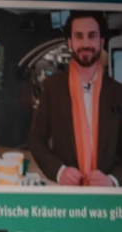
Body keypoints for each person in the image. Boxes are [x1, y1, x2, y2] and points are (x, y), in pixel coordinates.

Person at [29, 10, 122, 187]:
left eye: (92, 36)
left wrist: (112, 180)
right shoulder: (53, 87)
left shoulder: (118, 92)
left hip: (108, 199)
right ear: (70, 42)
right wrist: (59, 171)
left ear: (101, 41)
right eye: (79, 36)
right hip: (67, 197)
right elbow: (36, 140)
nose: (85, 43)